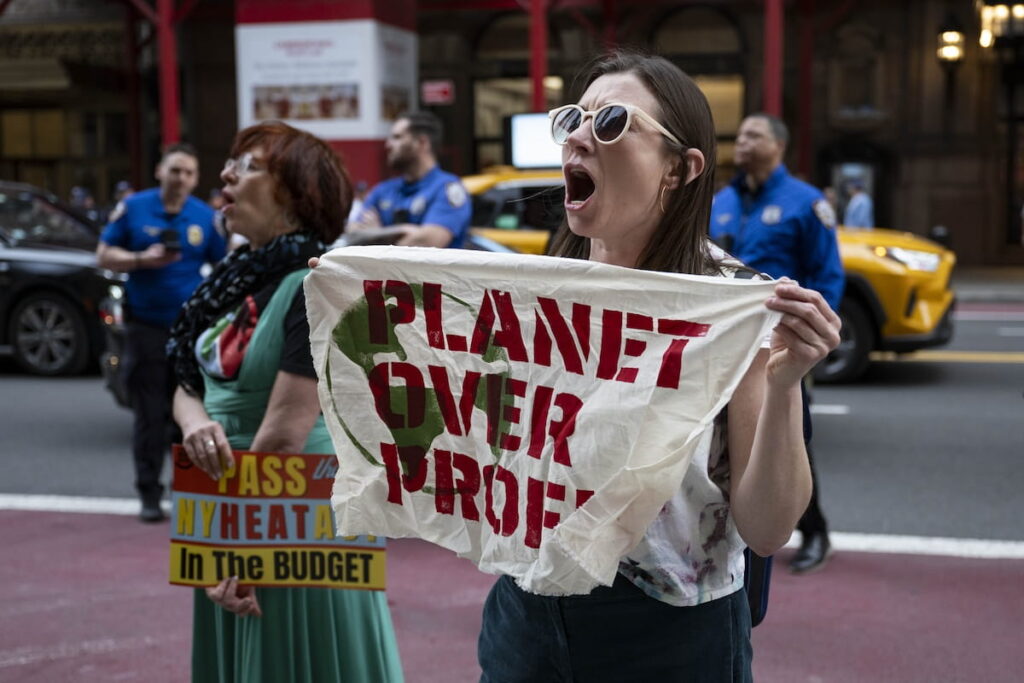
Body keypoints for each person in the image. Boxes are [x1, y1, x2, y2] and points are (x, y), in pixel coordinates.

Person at [475, 50, 840, 681]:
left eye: (612, 121)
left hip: (666, 635)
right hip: (524, 614)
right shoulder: (538, 289)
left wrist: (784, 386)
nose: (581, 137)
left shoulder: (732, 306)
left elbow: (768, 529)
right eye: (573, 120)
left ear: (680, 167)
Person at [167, 121, 404, 682]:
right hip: (233, 504)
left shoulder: (318, 287)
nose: (226, 173)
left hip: (287, 514)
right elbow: (187, 384)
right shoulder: (234, 283)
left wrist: (238, 552)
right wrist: (196, 421)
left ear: (296, 196)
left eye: (249, 166)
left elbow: (284, 434)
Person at [709, 113, 845, 575]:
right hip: (724, 349)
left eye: (754, 134)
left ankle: (816, 531)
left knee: (788, 443)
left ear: (780, 145)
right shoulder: (721, 201)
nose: (742, 141)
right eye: (740, 133)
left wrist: (810, 339)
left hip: (781, 350)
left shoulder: (806, 203)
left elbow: (828, 274)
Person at [97, 143, 225, 522]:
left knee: (188, 418)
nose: (181, 178)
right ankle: (149, 494)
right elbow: (103, 253)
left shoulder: (204, 216)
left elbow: (223, 267)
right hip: (145, 328)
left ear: (196, 179)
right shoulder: (134, 208)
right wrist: (140, 259)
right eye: (175, 171)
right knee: (149, 415)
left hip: (190, 334)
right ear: (160, 172)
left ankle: (185, 493)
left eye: (188, 173)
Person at [347, 110, 471, 247]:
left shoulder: (447, 188)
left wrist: (376, 234)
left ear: (422, 142)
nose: (388, 145)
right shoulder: (383, 190)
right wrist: (403, 231)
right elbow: (352, 236)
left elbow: (427, 243)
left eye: (397, 137)